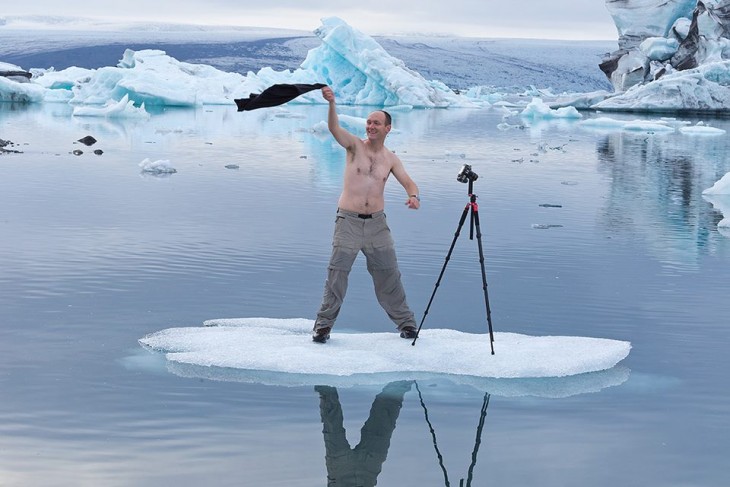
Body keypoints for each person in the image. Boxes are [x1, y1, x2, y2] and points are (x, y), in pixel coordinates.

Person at [313, 86, 420, 343]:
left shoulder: (391, 159)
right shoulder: (354, 147)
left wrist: (414, 197)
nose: (371, 126)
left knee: (389, 276)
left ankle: (407, 325)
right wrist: (331, 104)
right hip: (348, 222)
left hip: (377, 225)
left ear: (387, 129)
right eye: (369, 122)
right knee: (337, 275)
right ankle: (323, 327)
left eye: (376, 123)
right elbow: (334, 129)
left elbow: (409, 182)